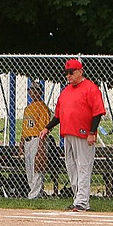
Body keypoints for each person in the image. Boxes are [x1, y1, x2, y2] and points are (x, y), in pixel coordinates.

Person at [39, 59, 105, 212]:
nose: (68, 76)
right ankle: (78, 200)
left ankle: (82, 201)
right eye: (67, 73)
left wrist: (91, 132)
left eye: (72, 72)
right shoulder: (66, 91)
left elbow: (98, 112)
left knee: (83, 166)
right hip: (68, 134)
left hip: (83, 135)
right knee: (71, 167)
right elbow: (58, 115)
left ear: (80, 72)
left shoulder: (90, 88)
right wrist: (47, 128)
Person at [20, 82, 51, 199]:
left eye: (36, 90)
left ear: (40, 92)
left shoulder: (42, 108)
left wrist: (41, 147)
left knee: (37, 167)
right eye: (31, 90)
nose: (33, 92)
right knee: (29, 168)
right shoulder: (27, 108)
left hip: (37, 139)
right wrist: (21, 145)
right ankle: (34, 192)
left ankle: (34, 195)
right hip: (27, 140)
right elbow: (24, 129)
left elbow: (44, 129)